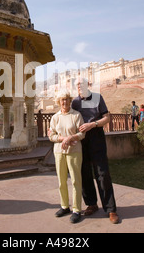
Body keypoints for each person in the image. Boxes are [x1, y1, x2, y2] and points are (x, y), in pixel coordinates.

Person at [71, 78, 120, 224]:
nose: (80, 87)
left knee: (102, 173)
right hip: (82, 139)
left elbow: (107, 118)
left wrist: (93, 124)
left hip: (96, 136)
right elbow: (68, 117)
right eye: (78, 85)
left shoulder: (98, 98)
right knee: (84, 172)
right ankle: (91, 204)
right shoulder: (75, 102)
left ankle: (111, 209)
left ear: (88, 85)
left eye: (82, 84)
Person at [49, 90, 86, 223]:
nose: (64, 102)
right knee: (61, 181)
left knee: (76, 180)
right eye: (62, 100)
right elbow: (51, 135)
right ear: (59, 102)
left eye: (66, 99)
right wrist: (63, 139)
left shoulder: (76, 115)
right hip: (59, 151)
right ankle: (64, 206)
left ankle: (76, 209)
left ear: (70, 101)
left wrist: (71, 137)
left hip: (74, 151)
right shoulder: (55, 117)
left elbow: (82, 134)